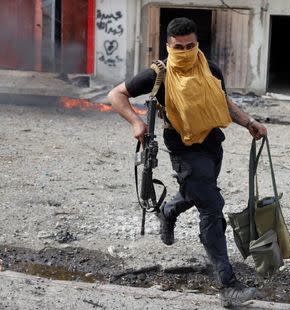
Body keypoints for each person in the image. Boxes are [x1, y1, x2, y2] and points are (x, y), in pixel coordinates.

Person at [108, 17, 267, 307]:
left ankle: (168, 211)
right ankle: (227, 286)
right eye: (179, 47)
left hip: (212, 145)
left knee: (199, 193)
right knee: (211, 207)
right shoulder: (159, 74)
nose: (185, 50)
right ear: (168, 46)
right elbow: (115, 94)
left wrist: (249, 122)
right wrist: (135, 122)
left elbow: (223, 102)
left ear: (197, 44)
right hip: (183, 149)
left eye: (190, 45)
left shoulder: (210, 68)